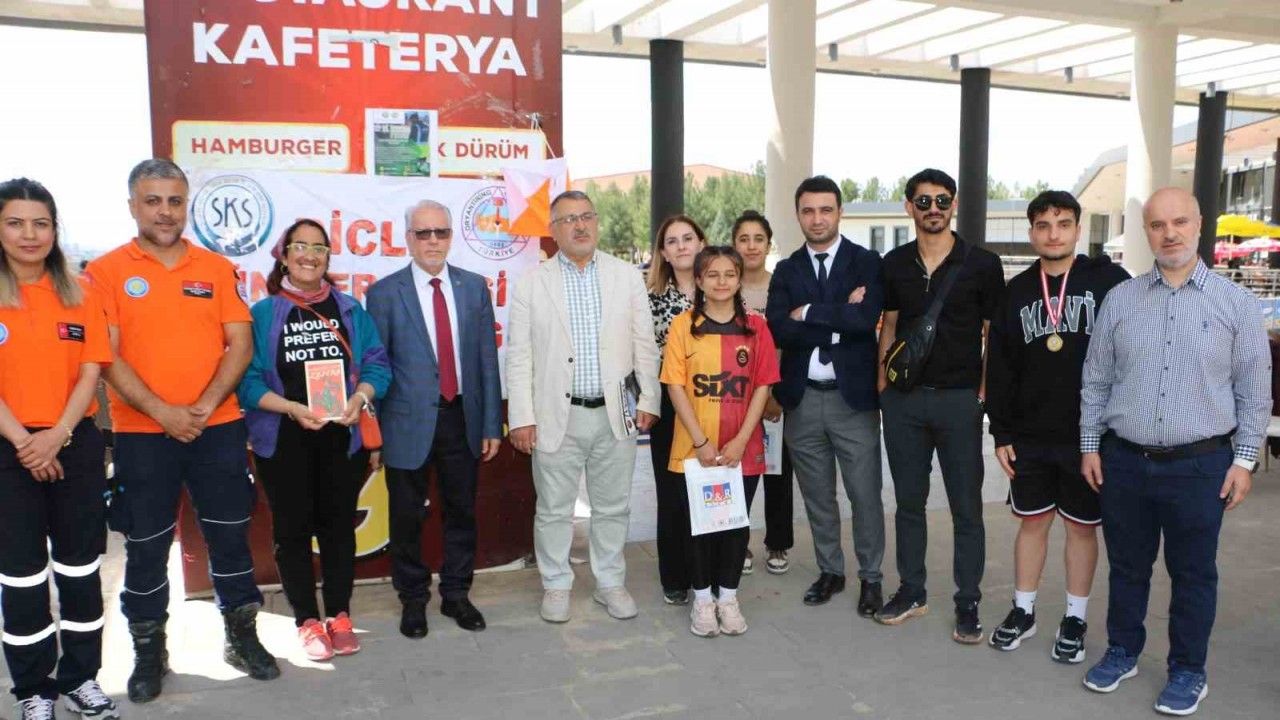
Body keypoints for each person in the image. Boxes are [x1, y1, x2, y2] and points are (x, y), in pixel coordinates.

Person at [85, 159, 279, 704]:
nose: (165, 212)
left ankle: (241, 638)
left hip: (218, 428)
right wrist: (162, 412)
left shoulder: (215, 267)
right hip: (142, 434)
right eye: (153, 201)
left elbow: (240, 343)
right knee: (146, 546)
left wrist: (203, 406)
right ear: (133, 206)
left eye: (174, 201)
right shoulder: (105, 272)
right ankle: (150, 652)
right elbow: (107, 355)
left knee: (229, 537)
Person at [1079, 187, 1270, 716]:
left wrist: (1244, 460)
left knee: (1193, 574)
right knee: (1127, 567)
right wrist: (1090, 446)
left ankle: (1188, 669)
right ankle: (1123, 651)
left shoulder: (1236, 304)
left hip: (1201, 466)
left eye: (1180, 222)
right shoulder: (1121, 300)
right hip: (1124, 462)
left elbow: (1255, 392)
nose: (1170, 234)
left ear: (1199, 224)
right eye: (1158, 225)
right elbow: (1096, 380)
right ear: (1146, 232)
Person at [984, 191, 1129, 661]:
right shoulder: (1016, 291)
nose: (1053, 234)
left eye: (1063, 224)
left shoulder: (1109, 281)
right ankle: (1023, 610)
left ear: (1078, 230)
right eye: (1043, 225)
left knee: (1082, 528)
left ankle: (1075, 618)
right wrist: (1001, 432)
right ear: (1031, 233)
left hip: (1089, 437)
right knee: (1032, 522)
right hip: (1030, 435)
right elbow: (1000, 366)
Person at [237, 219, 391, 660]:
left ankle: (339, 616)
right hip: (283, 440)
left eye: (319, 248)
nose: (309, 255)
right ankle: (306, 621)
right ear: (284, 257)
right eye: (300, 246)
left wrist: (360, 397)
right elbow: (246, 382)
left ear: (327, 257)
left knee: (339, 529)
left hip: (341, 440)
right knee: (291, 532)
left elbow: (378, 365)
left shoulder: (350, 310)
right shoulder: (264, 314)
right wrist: (290, 408)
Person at [506, 190, 661, 624]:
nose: (580, 226)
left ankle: (610, 582)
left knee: (613, 507)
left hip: (616, 413)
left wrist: (649, 398)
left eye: (586, 216)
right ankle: (556, 584)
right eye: (568, 219)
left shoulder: (625, 276)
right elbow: (519, 356)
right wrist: (522, 417)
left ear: (596, 222)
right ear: (553, 231)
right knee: (554, 509)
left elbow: (644, 343)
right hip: (555, 415)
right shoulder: (532, 282)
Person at [0, 178, 119, 720]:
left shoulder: (81, 292)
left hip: (73, 442)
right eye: (15, 223)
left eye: (41, 223)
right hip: (10, 448)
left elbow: (91, 369)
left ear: (54, 229)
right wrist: (25, 441)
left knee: (79, 569)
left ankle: (80, 679)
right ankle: (33, 688)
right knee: (22, 576)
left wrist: (57, 436)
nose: (30, 234)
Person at [875, 168, 1005, 643]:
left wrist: (982, 394)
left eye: (942, 200)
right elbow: (889, 326)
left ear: (954, 205)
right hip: (905, 403)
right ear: (909, 207)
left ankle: (967, 602)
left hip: (958, 402)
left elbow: (993, 334)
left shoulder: (982, 264)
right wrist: (883, 390)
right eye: (924, 201)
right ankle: (912, 590)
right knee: (908, 504)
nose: (934, 209)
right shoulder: (894, 263)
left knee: (966, 508)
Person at [366, 199, 502, 639]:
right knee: (406, 517)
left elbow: (486, 360)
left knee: (461, 511)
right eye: (422, 233)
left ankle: (457, 594)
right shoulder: (384, 294)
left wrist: (491, 424)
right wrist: (374, 434)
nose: (432, 241)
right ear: (408, 238)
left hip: (462, 418)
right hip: (405, 424)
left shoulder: (473, 287)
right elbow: (375, 367)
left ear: (450, 236)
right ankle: (412, 598)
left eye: (440, 232)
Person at [766, 176, 886, 614]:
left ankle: (871, 577)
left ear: (839, 212)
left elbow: (865, 319)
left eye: (825, 210)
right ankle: (831, 571)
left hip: (851, 400)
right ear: (798, 215)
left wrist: (810, 312)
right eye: (808, 211)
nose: (817, 219)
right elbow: (780, 327)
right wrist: (840, 318)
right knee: (818, 496)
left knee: (864, 496)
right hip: (802, 400)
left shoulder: (866, 262)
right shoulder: (787, 269)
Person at [663, 246, 780, 637]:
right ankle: (702, 600)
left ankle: (728, 597)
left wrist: (741, 440)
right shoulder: (683, 326)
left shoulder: (757, 327)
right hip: (694, 449)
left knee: (733, 525)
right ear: (698, 280)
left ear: (739, 279)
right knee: (699, 526)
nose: (721, 282)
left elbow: (762, 386)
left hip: (740, 450)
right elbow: (676, 387)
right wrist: (700, 442)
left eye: (729, 274)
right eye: (712, 274)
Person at [646, 214, 704, 605]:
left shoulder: (721, 289)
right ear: (663, 253)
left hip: (715, 399)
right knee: (671, 492)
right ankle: (674, 576)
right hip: (668, 402)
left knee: (709, 489)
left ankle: (708, 572)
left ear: (701, 244)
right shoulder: (648, 297)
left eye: (687, 238)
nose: (681, 246)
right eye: (672, 241)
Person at [733, 209, 794, 575]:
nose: (751, 246)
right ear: (734, 244)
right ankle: (736, 541)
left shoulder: (781, 286)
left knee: (777, 471)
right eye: (744, 239)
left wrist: (774, 393)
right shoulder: (725, 285)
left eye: (759, 239)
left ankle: (778, 542)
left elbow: (786, 342)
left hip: (775, 393)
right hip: (734, 394)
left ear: (768, 244)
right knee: (738, 471)